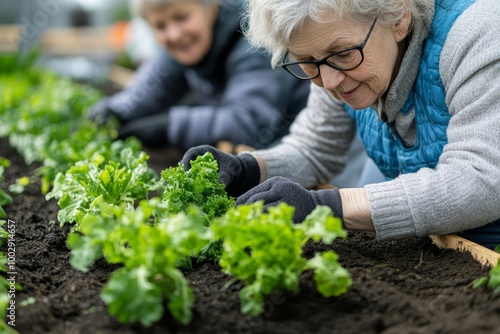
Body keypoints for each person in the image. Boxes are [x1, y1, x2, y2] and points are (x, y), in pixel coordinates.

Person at [182, 0, 500, 249]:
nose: (330, 81)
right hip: (441, 240)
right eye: (307, 62)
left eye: (344, 54)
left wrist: (330, 205)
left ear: (399, 18)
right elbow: (315, 149)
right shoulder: (328, 56)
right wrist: (248, 169)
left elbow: (482, 180)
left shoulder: (479, 33)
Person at [89, 0, 310, 152]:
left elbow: (246, 121)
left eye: (182, 17)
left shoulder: (253, 42)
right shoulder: (180, 47)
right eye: (160, 26)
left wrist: (169, 126)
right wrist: (115, 109)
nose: (174, 34)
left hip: (304, 145)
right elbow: (148, 89)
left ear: (210, 9)